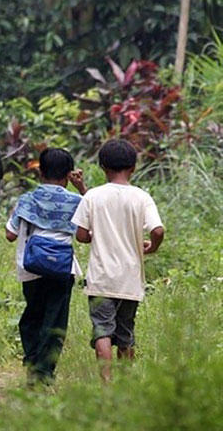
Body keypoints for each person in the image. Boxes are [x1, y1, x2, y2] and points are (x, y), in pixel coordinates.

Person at [72, 139, 164, 382]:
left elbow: (81, 234)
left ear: (103, 167)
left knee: (102, 329)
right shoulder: (141, 197)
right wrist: (151, 247)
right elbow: (157, 230)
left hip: (101, 278)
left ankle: (106, 382)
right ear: (133, 167)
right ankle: (126, 383)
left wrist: (95, 235)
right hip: (129, 279)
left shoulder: (93, 196)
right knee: (125, 330)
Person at [5, 148, 87, 385]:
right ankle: (44, 374)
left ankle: (32, 363)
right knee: (55, 322)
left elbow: (10, 235)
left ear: (40, 172)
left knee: (32, 317)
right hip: (63, 269)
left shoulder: (28, 199)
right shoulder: (77, 201)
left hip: (30, 268)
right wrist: (81, 188)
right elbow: (90, 225)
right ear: (69, 174)